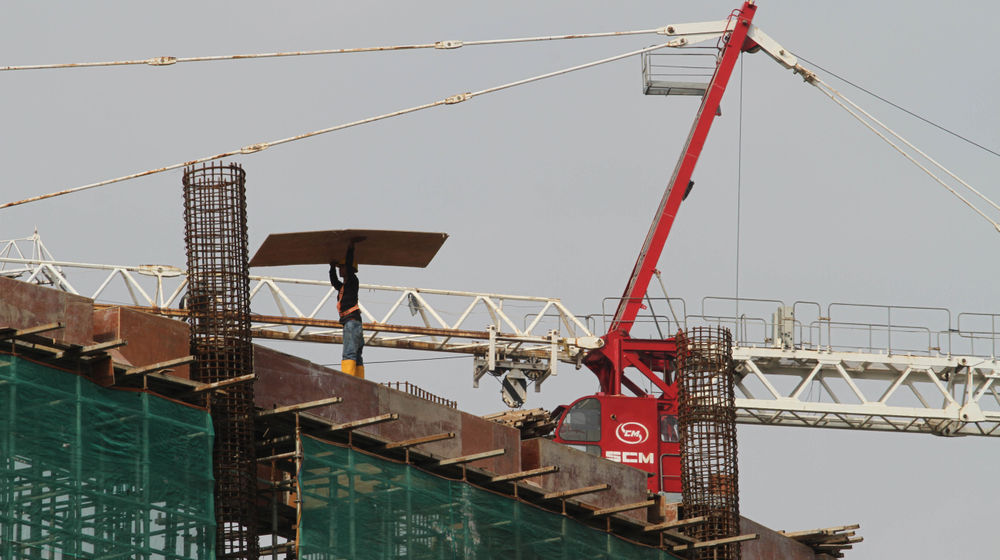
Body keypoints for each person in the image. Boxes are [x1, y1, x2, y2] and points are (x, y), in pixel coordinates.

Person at [329, 239, 365, 378]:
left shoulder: (352, 280)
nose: (340, 269)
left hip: (351, 323)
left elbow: (349, 266)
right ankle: (359, 381)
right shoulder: (343, 287)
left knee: (349, 353)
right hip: (353, 322)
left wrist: (351, 248)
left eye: (341, 267)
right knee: (356, 355)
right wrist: (331, 267)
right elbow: (334, 282)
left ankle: (348, 380)